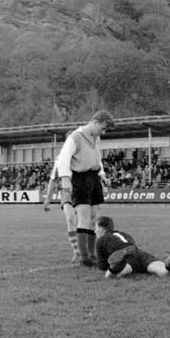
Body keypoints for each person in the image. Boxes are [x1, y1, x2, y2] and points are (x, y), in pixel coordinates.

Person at [55, 110, 114, 267]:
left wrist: (102, 175)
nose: (103, 132)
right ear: (95, 122)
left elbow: (97, 159)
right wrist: (65, 180)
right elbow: (63, 160)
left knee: (94, 217)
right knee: (84, 217)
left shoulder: (96, 138)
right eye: (103, 128)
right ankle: (84, 257)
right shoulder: (75, 137)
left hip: (94, 178)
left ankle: (92, 254)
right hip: (80, 178)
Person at [94, 215, 170, 278]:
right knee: (165, 272)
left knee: (110, 275)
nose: (95, 231)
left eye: (96, 228)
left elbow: (102, 267)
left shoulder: (101, 240)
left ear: (101, 228)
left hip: (128, 259)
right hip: (139, 254)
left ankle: (120, 263)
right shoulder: (124, 234)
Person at [43, 135, 80, 266]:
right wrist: (47, 200)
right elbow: (53, 180)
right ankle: (76, 251)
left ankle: (87, 250)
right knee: (70, 219)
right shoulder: (60, 159)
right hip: (67, 192)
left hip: (82, 190)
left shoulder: (82, 156)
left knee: (85, 221)